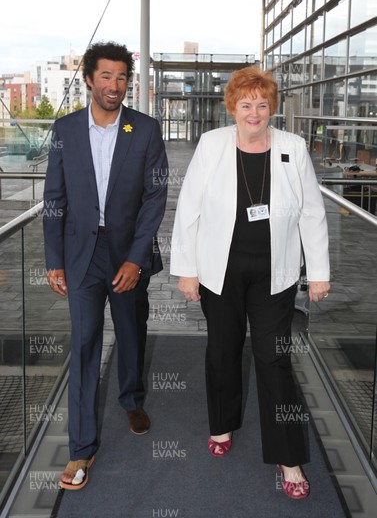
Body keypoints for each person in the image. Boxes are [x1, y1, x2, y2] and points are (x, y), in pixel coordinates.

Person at [170, 66, 330, 499]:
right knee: (223, 350)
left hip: (274, 273)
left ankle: (288, 456)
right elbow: (189, 208)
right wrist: (187, 269)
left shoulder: (293, 148)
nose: (254, 112)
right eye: (246, 104)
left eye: (262, 104)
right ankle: (222, 424)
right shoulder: (212, 145)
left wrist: (318, 273)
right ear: (233, 108)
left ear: (271, 108)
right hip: (219, 270)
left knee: (274, 359)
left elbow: (312, 212)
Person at [43, 41, 168, 490]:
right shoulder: (65, 130)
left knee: (132, 330)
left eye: (122, 78)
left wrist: (137, 257)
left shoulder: (146, 130)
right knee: (84, 343)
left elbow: (155, 197)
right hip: (81, 255)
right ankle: (81, 450)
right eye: (107, 76)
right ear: (90, 79)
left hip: (127, 253)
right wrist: (53, 259)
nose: (115, 85)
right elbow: (54, 197)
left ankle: (132, 397)